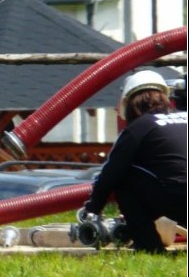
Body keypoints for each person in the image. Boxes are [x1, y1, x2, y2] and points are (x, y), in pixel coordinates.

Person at [80, 70, 187, 253]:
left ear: (129, 104)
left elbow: (111, 173)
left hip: (179, 197)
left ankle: (150, 247)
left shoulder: (139, 127)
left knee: (126, 178)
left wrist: (93, 209)